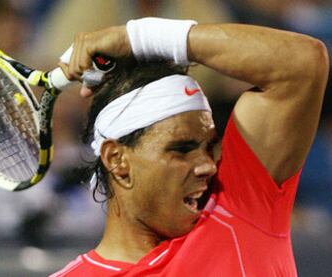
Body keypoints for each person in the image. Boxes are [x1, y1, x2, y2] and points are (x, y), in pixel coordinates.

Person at [51, 18, 329, 276]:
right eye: (181, 149)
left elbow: (302, 63)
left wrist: (138, 36)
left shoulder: (242, 207)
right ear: (117, 159)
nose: (208, 165)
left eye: (208, 147)